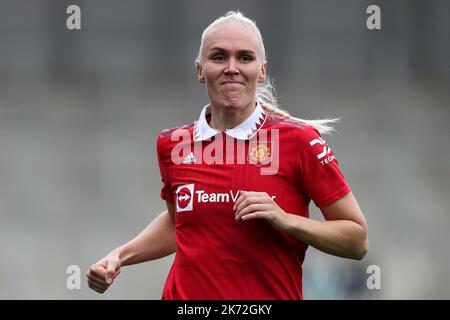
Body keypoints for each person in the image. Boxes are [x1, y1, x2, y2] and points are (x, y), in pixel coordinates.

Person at [86, 10, 368, 300]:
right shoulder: (173, 144)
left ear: (262, 70)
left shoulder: (299, 142)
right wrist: (120, 256)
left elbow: (357, 240)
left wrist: (285, 219)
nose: (231, 67)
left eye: (244, 57)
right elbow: (177, 222)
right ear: (200, 70)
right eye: (219, 57)